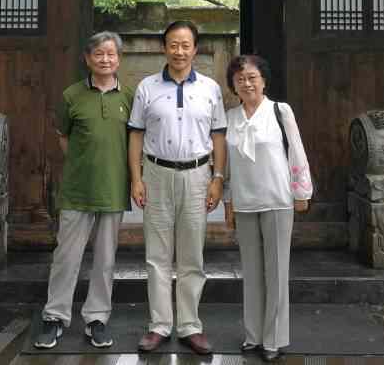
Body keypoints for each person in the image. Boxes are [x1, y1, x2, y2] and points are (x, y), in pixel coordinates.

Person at [128, 20, 228, 355]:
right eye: (173, 44)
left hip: (198, 176)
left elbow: (218, 136)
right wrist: (136, 177)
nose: (179, 51)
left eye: (186, 45)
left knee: (192, 255)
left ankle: (189, 326)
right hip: (156, 174)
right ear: (164, 47)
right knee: (157, 255)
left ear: (195, 49)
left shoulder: (211, 88)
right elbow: (136, 134)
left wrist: (218, 178)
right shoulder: (147, 87)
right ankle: (159, 325)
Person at [34, 31, 134, 350]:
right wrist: (83, 164)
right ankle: (54, 317)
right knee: (67, 256)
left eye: (111, 54)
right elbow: (63, 137)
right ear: (87, 59)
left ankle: (96, 319)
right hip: (77, 190)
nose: (105, 59)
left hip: (113, 189)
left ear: (119, 59)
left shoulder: (129, 97)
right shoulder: (71, 95)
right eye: (99, 54)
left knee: (105, 260)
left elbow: (135, 142)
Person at [223, 54, 313, 362]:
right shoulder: (230, 117)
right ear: (233, 85)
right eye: (240, 79)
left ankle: (273, 339)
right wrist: (228, 202)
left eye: (252, 77)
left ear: (263, 80)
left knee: (276, 272)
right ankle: (253, 335)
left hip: (277, 199)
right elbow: (227, 165)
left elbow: (296, 150)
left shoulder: (279, 111)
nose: (247, 83)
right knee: (251, 272)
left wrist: (301, 192)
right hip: (245, 202)